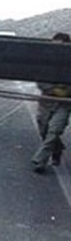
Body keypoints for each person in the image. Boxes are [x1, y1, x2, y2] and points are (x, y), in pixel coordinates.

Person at [31, 32, 71, 173]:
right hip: (46, 102)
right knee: (44, 130)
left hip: (64, 104)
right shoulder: (46, 61)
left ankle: (39, 161)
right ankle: (57, 149)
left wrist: (65, 91)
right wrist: (53, 89)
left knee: (54, 130)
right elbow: (40, 80)